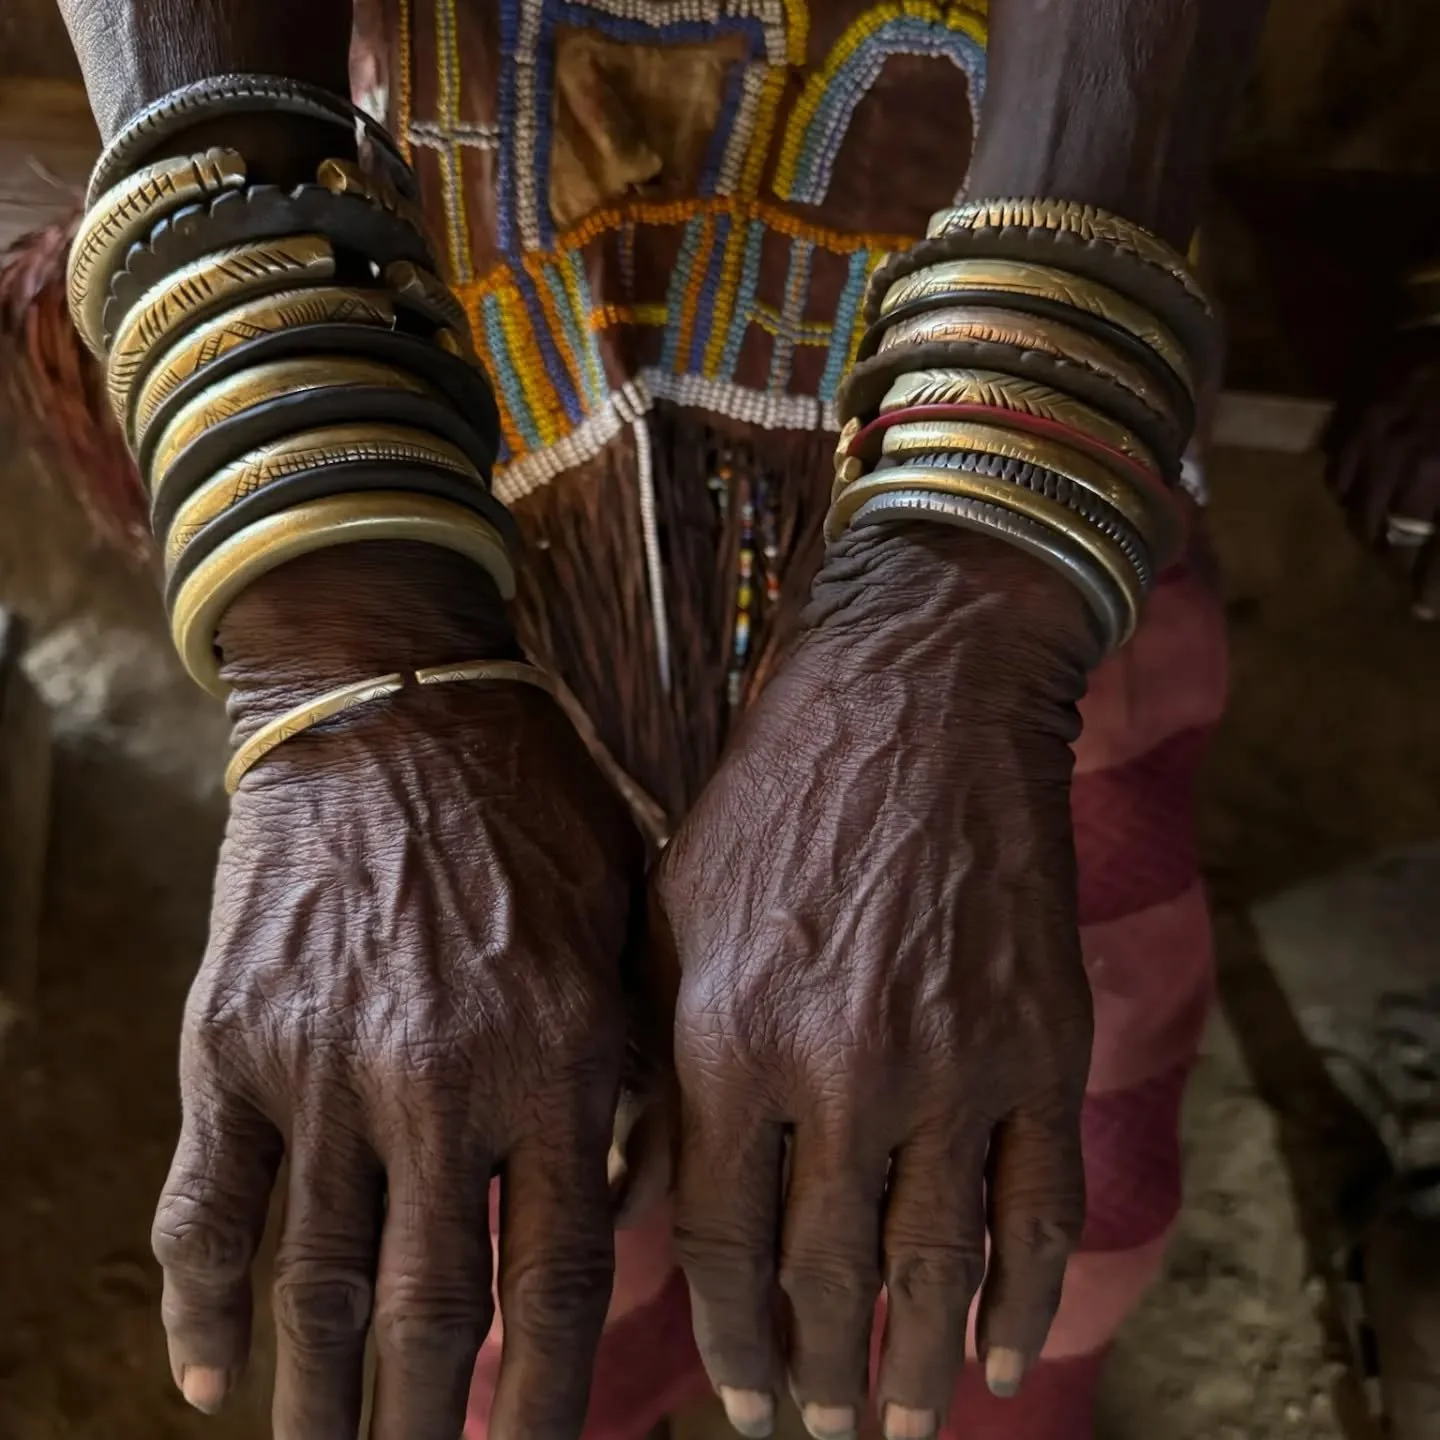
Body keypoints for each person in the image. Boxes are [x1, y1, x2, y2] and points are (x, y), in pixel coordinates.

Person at [39, 2, 1270, 1439]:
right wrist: (349, 653)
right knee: (498, 1216)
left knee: (1010, 1192)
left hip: (1039, 549)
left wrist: (970, 601)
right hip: (468, 469)